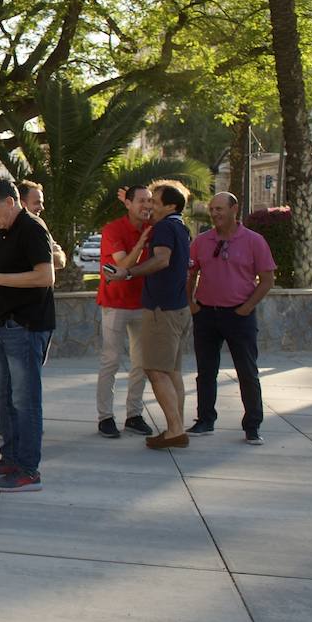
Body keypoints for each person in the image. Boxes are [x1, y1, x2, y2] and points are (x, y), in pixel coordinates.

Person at [0, 178, 55, 493]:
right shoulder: (5, 231)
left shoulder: (32, 228)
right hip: (5, 325)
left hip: (27, 326)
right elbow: (9, 270)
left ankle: (28, 470)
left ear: (10, 201)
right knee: (2, 396)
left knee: (25, 400)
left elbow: (45, 275)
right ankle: (11, 459)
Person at [104, 180, 192, 450]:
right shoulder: (180, 226)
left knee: (155, 370)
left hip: (161, 311)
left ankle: (175, 430)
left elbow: (162, 259)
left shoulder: (165, 227)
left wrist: (128, 272)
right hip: (177, 308)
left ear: (170, 206)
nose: (149, 204)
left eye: (154, 201)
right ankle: (176, 426)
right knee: (172, 371)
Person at [187, 192, 276, 446]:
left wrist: (246, 308)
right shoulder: (202, 241)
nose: (215, 214)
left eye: (219, 209)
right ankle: (205, 419)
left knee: (247, 372)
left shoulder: (254, 241)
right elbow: (190, 274)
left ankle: (252, 425)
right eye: (212, 209)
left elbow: (267, 280)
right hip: (206, 314)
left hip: (239, 316)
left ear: (234, 209)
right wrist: (191, 303)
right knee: (205, 371)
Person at [94, 185, 155, 438]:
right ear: (128, 203)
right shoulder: (113, 229)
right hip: (115, 303)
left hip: (142, 303)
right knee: (111, 361)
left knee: (140, 363)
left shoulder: (155, 227)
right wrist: (141, 242)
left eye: (150, 201)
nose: (147, 206)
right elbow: (123, 265)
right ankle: (105, 417)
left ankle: (134, 414)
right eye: (141, 200)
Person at [17, 179, 67, 270]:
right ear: (22, 204)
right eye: (37, 203)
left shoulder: (39, 227)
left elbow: (60, 261)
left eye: (42, 203)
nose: (42, 208)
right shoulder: (8, 229)